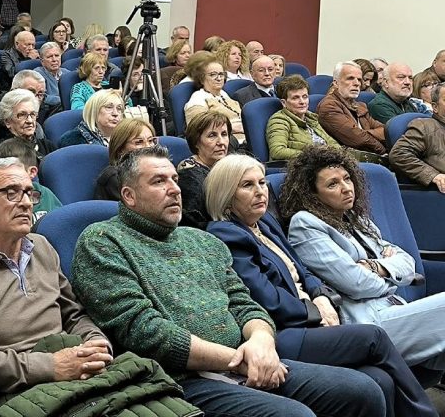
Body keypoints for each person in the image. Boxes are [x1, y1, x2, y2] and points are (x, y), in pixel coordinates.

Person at [71, 146, 387, 417]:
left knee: (364, 391)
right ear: (129, 196)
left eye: (175, 179)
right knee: (295, 415)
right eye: (158, 181)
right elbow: (143, 331)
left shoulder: (201, 241)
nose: (174, 189)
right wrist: (239, 360)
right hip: (178, 379)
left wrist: (261, 342)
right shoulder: (102, 241)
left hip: (244, 359)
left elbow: (244, 304)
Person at [205, 155, 437, 417]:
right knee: (374, 337)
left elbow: (301, 269)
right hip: (283, 331)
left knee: (379, 379)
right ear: (226, 193)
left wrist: (320, 296)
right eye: (247, 185)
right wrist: (313, 311)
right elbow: (266, 298)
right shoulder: (226, 234)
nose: (260, 191)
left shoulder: (264, 223)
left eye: (261, 183)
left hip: (309, 320)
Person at [0, 158, 111, 391]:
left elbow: (73, 315)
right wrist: (50, 366)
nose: (26, 203)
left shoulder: (41, 246)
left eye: (29, 193)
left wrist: (95, 342)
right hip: (26, 387)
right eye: (11, 193)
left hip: (75, 368)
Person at [282, 144, 445, 372]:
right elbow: (357, 284)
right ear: (312, 194)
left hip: (396, 310)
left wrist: (375, 267)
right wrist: (392, 275)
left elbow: (409, 263)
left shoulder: (357, 219)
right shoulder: (305, 225)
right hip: (368, 325)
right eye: (332, 184)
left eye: (347, 179)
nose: (346, 188)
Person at [316, 61, 387, 156]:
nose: (357, 83)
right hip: (346, 159)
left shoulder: (360, 106)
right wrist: (383, 151)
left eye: (359, 80)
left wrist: (362, 132)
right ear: (336, 83)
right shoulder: (329, 106)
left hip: (368, 155)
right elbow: (358, 139)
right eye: (350, 78)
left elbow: (384, 130)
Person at [177, 110, 231, 229]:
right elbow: (195, 224)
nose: (221, 142)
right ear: (196, 142)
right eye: (212, 135)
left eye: (224, 134)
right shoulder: (189, 177)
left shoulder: (228, 166)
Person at [267, 75, 340, 161]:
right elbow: (277, 151)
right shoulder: (279, 120)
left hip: (326, 161)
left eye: (305, 97)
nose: (302, 102)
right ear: (284, 103)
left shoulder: (312, 118)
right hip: (303, 165)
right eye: (295, 98)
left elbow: (333, 144)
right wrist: (316, 156)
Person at [183, 51, 246, 146]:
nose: (219, 78)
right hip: (226, 145)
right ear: (201, 78)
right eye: (213, 74)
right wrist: (234, 128)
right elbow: (198, 129)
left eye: (221, 74)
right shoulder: (198, 98)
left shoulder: (224, 94)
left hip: (244, 140)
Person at [0, 139, 62, 222]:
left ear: (32, 172)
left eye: (13, 171)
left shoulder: (45, 194)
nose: (7, 176)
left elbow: (60, 222)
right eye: (2, 171)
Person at [93, 118, 156, 201]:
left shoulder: (160, 169)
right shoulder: (114, 177)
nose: (148, 147)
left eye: (150, 140)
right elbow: (139, 206)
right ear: (120, 149)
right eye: (138, 142)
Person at [58, 89, 124, 147]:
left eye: (119, 108)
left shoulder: (125, 138)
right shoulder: (74, 141)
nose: (115, 113)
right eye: (109, 107)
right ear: (94, 110)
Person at [34, 41, 68, 107]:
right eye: (49, 57)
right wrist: (65, 100)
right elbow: (42, 97)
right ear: (42, 61)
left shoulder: (67, 73)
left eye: (57, 55)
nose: (54, 59)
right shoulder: (37, 75)